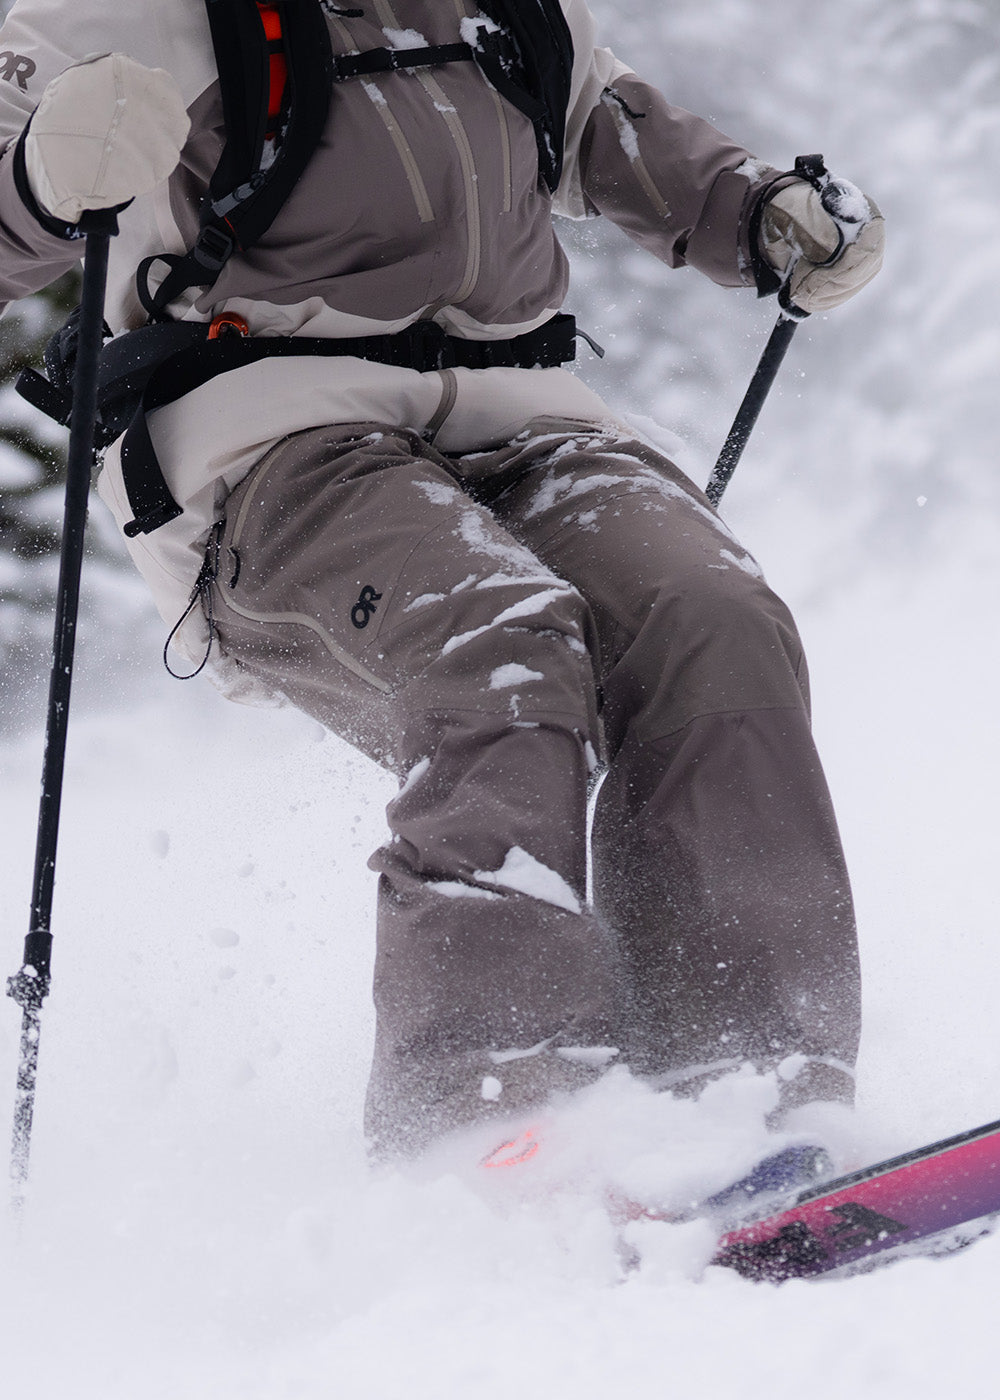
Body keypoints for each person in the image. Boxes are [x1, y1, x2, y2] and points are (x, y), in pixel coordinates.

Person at [0, 0, 883, 1161]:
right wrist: (41, 181)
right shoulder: (125, 13)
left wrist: (759, 211)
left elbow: (603, 127)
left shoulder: (498, 6)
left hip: (525, 411)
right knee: (497, 639)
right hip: (273, 446)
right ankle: (487, 1112)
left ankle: (754, 1081)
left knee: (713, 614)